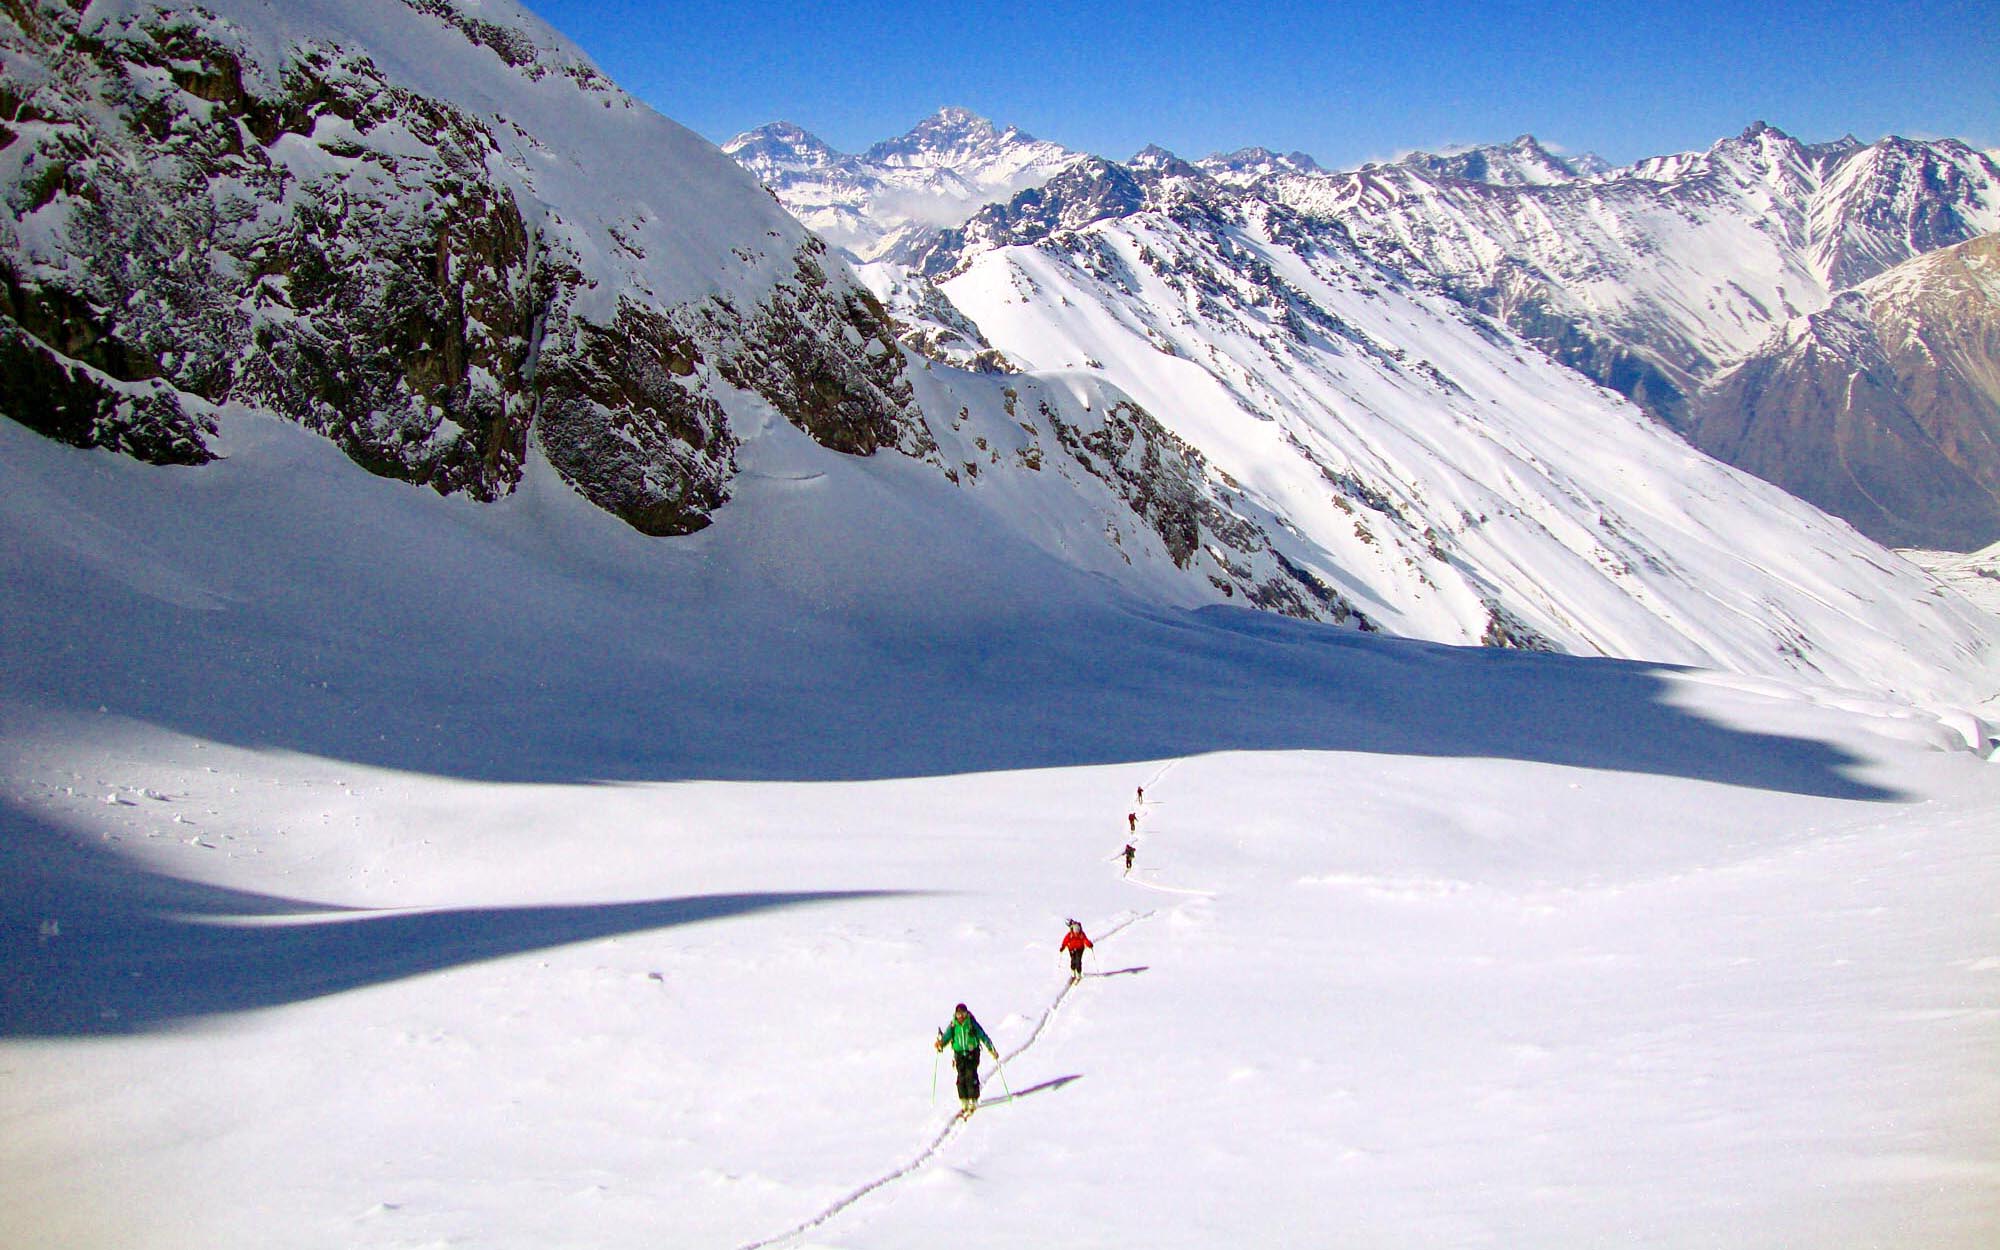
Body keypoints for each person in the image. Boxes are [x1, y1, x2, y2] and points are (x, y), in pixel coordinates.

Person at [936, 1002, 999, 1116]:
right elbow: (947, 1037)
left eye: (963, 1014)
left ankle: (973, 1099)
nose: (961, 1017)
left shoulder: (971, 1024)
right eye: (959, 1014)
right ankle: (963, 1100)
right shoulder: (953, 1025)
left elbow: (982, 1036)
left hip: (972, 1053)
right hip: (959, 1054)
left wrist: (991, 1049)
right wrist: (941, 1044)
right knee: (961, 1077)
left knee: (971, 1075)